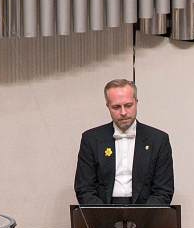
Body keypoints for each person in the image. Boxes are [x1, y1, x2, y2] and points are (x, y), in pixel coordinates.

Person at [74, 75, 174, 209]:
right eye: (116, 107)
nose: (123, 112)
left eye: (128, 105)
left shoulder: (159, 140)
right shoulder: (91, 139)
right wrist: (104, 216)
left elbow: (163, 191)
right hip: (101, 212)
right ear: (108, 106)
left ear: (136, 102)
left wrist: (143, 216)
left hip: (147, 213)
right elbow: (84, 189)